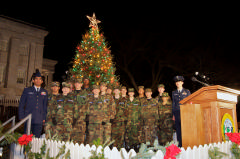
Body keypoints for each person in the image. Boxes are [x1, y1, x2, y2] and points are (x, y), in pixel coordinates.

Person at [18, 69, 48, 138]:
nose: (38, 80)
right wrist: (21, 116)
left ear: (42, 81)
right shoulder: (27, 90)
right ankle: (26, 149)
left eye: (40, 79)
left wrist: (44, 117)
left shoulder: (44, 92)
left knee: (36, 139)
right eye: (36, 79)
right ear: (33, 80)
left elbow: (45, 106)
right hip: (28, 118)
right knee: (26, 138)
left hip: (39, 119)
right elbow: (21, 104)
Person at [172, 76, 191, 147]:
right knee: (178, 130)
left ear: (182, 83)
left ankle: (187, 144)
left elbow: (189, 102)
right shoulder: (174, 92)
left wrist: (189, 113)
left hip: (185, 113)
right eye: (176, 82)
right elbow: (173, 103)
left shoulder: (187, 92)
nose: (178, 83)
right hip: (177, 113)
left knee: (185, 129)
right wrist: (173, 114)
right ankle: (180, 145)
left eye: (179, 82)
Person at [71, 78, 88, 144]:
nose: (77, 84)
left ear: (81, 84)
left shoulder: (85, 94)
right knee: (72, 137)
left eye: (79, 83)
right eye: (76, 83)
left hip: (81, 119)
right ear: (74, 84)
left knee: (81, 137)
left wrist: (87, 115)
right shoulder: (71, 94)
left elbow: (87, 105)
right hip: (72, 119)